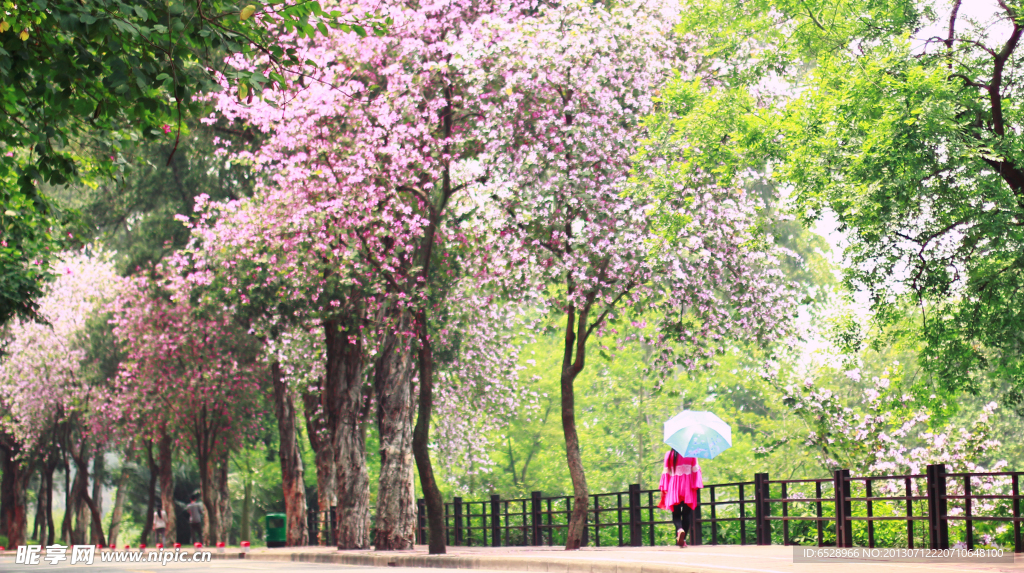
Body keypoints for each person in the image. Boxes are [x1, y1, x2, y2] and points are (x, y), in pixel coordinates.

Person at [657, 449, 703, 548]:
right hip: (687, 486)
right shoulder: (692, 453)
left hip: (674, 486)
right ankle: (684, 539)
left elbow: (666, 472)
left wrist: (664, 488)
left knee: (676, 513)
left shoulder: (669, 454)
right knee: (687, 514)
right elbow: (695, 470)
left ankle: (679, 529)